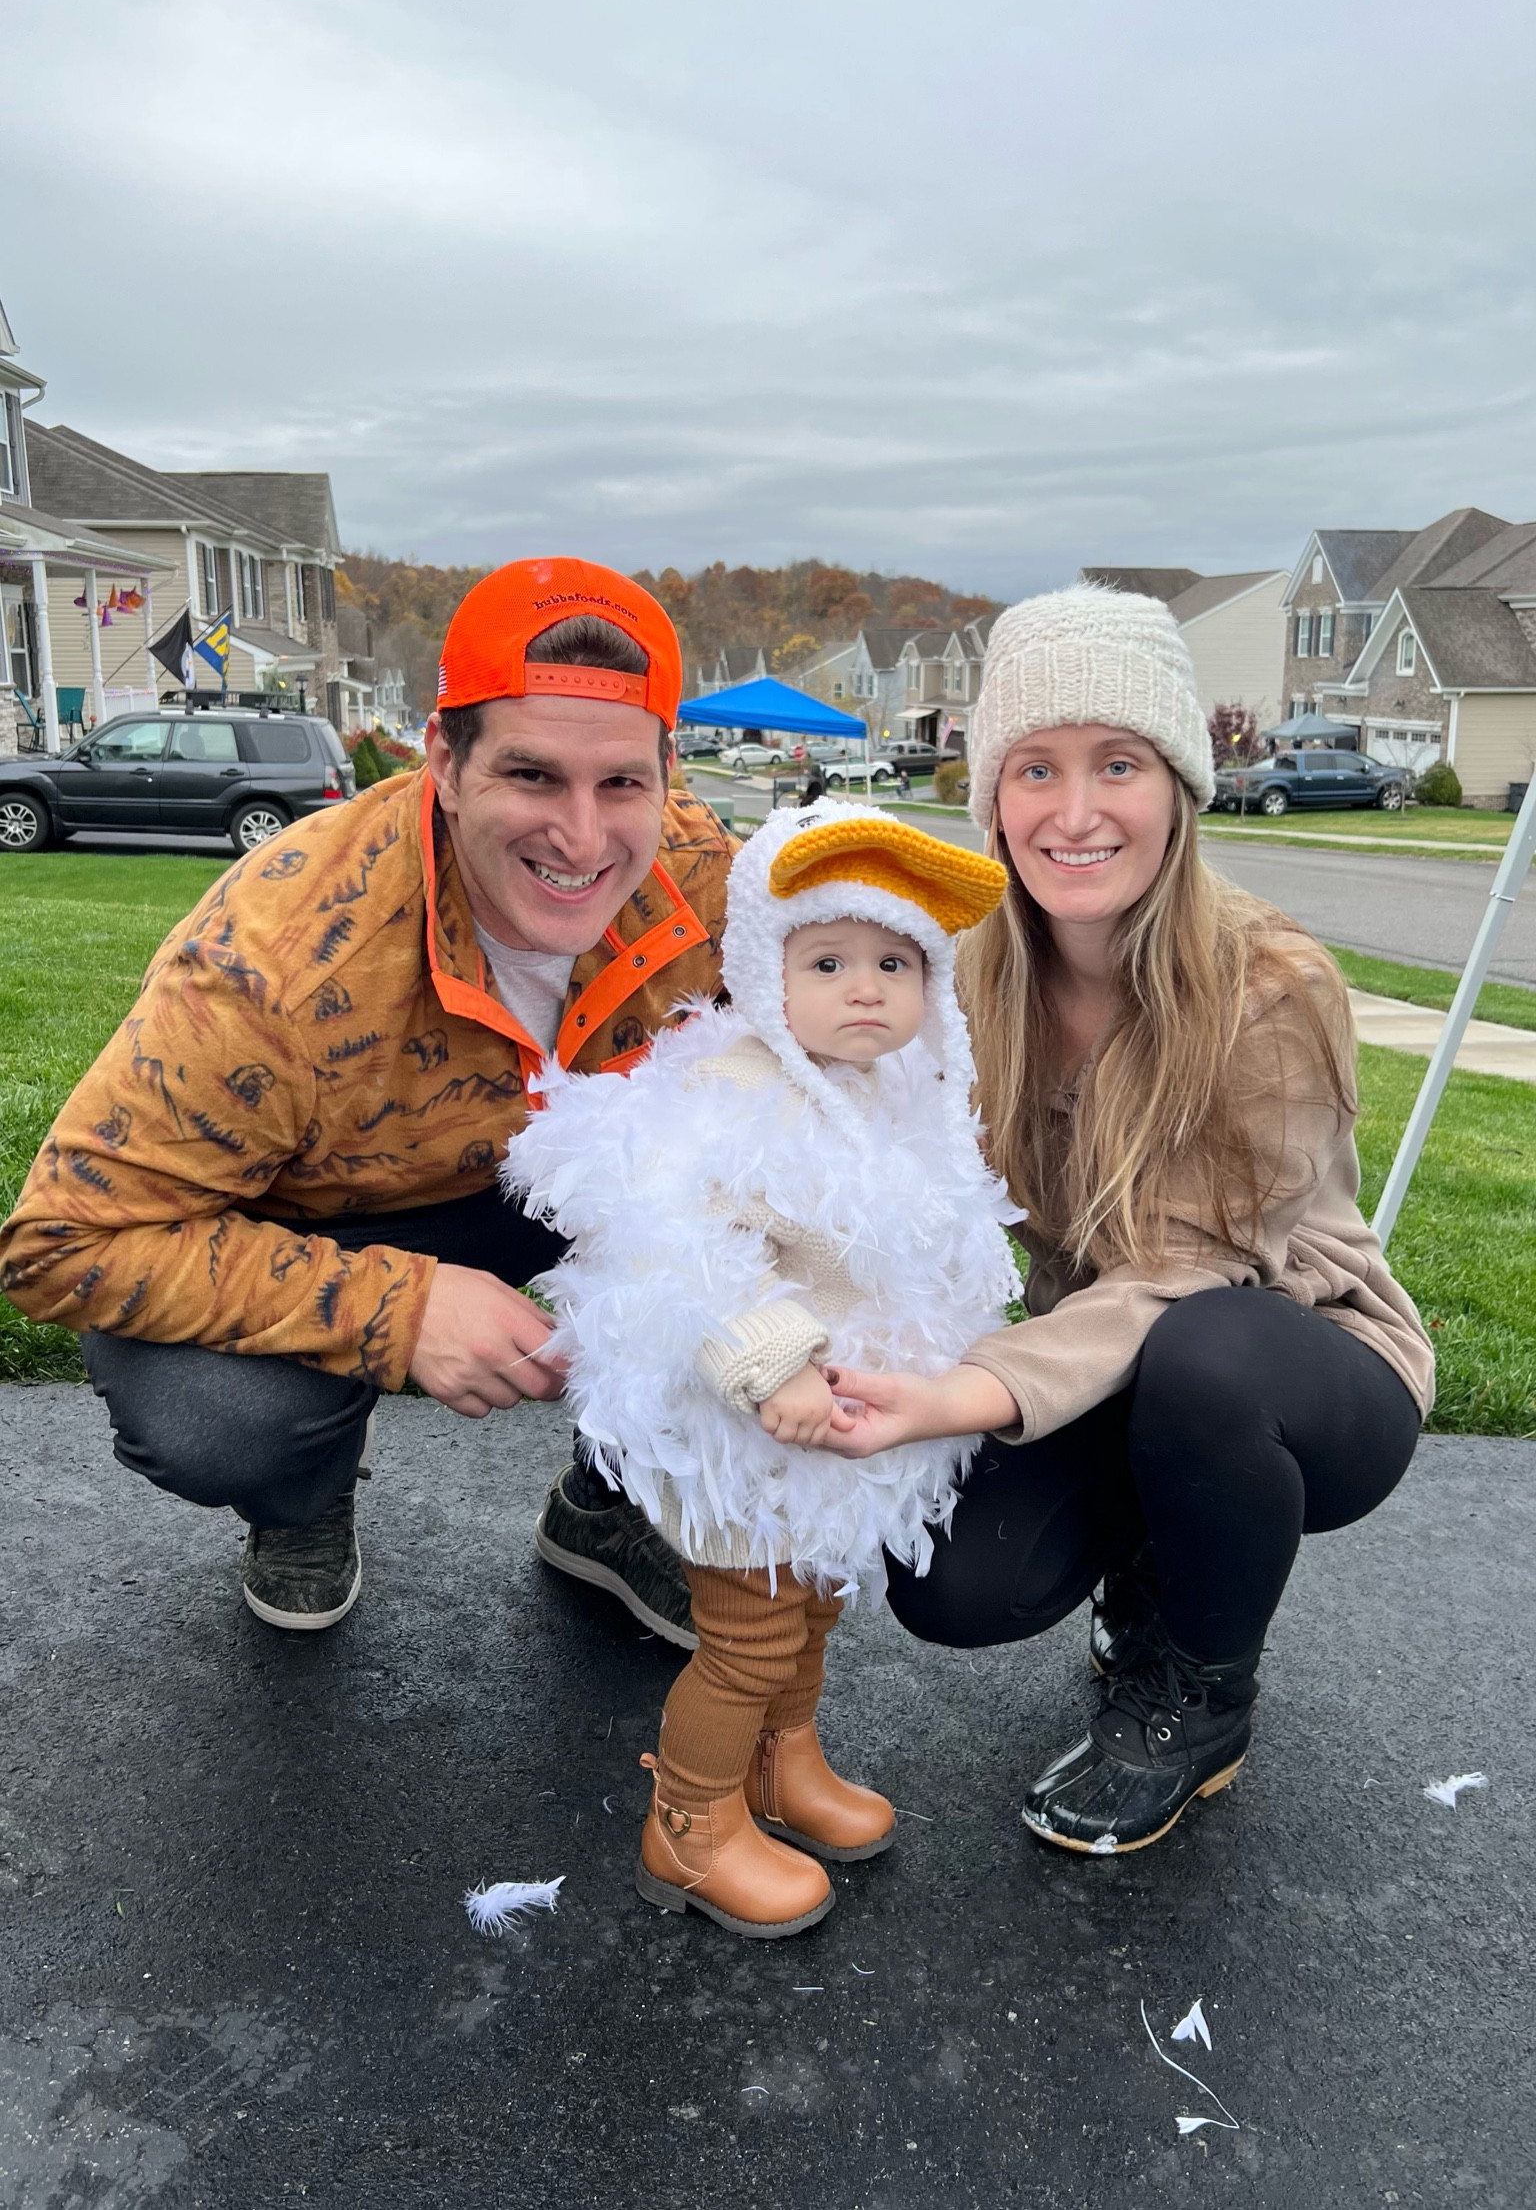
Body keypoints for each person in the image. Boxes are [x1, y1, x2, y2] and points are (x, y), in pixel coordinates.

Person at [0, 558, 732, 1642]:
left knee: (769, 1205)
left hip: (572, 1177)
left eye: (621, 784)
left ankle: (613, 1500)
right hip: (330, 1214)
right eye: (531, 776)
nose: (582, 838)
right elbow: (57, 1242)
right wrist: (398, 1310)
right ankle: (301, 1496)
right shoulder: (271, 957)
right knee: (219, 1423)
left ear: (668, 769)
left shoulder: (710, 875)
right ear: (443, 758)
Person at [810, 585, 1432, 1856]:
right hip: (1093, 1356)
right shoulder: (963, 975)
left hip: (1302, 1366)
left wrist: (961, 1394)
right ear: (992, 795)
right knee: (950, 1580)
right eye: (1035, 767)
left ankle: (1199, 1693)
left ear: (1181, 787)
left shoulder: (1269, 983)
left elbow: (1184, 1278)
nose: (1076, 811)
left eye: (1119, 764)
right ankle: (1155, 1546)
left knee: (1208, 1354)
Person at [504, 802, 1019, 1935]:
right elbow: (677, 1242)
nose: (867, 988)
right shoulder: (739, 1092)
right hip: (746, 1431)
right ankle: (688, 1822)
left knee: (816, 1607)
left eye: (897, 961)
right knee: (748, 1638)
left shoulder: (900, 1093)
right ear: (760, 964)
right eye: (827, 960)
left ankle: (783, 1766)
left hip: (841, 1437)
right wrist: (771, 1360)